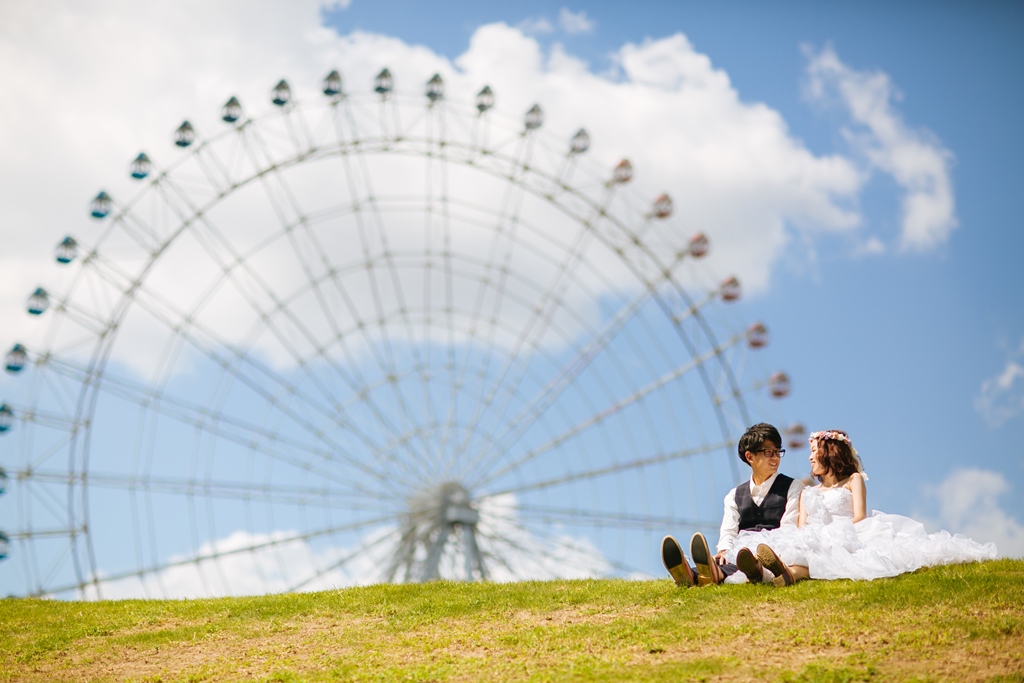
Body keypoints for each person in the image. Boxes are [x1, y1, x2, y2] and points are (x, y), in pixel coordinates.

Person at [727, 429, 998, 586]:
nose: (809, 457)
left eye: (814, 452)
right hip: (813, 534)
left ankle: (786, 575)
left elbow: (859, 515)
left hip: (848, 531)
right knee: (802, 547)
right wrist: (812, 535)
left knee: (821, 554)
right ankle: (773, 571)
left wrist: (832, 533)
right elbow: (801, 527)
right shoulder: (808, 492)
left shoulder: (854, 480)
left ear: (829, 453)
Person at [661, 422, 804, 586]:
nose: (775, 458)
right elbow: (729, 530)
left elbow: (789, 527)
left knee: (744, 564)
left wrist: (767, 552)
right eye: (768, 452)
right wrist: (723, 551)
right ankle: (692, 571)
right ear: (750, 457)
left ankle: (699, 574)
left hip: (773, 551)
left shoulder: (793, 487)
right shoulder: (734, 495)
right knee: (731, 561)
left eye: (778, 452)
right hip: (741, 551)